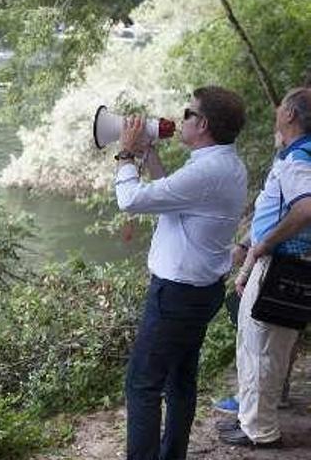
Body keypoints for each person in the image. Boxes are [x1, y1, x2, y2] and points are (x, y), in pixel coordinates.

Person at [116, 86, 248, 460]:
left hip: (175, 295)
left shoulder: (208, 170)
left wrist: (125, 152)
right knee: (179, 381)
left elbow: (131, 200)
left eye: (188, 113)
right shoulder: (223, 163)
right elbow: (172, 201)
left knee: (142, 385)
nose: (182, 117)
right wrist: (150, 154)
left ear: (202, 124)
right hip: (200, 292)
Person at [219, 87, 311, 448]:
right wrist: (249, 247)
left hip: (282, 265)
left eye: (280, 106)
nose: (275, 111)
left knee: (262, 349)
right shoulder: (294, 156)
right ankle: (252, 422)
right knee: (260, 347)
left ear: (290, 114)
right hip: (283, 264)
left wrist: (265, 244)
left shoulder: (298, 159)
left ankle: (261, 431)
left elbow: (305, 209)